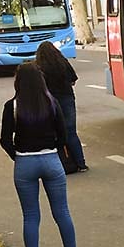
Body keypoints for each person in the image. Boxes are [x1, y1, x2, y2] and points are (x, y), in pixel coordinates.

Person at [0, 62, 85, 247]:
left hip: (24, 164)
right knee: (62, 212)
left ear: (18, 82)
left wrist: (17, 155)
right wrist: (54, 149)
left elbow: (4, 139)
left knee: (30, 216)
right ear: (41, 80)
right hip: (51, 160)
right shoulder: (51, 103)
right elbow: (63, 134)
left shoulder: (12, 106)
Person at [35, 40, 88, 173]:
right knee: (71, 132)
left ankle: (59, 165)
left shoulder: (39, 67)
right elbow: (73, 79)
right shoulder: (62, 63)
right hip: (67, 98)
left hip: (49, 102)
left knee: (54, 133)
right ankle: (81, 163)